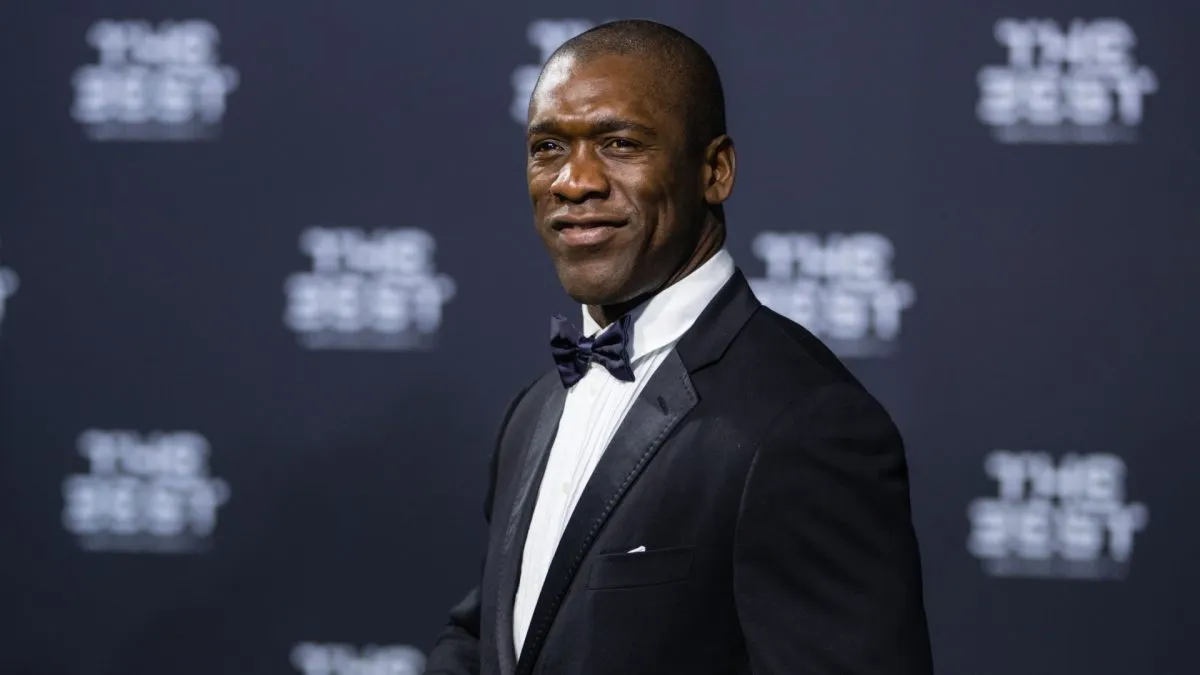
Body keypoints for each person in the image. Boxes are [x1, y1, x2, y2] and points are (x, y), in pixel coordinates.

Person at [423, 18, 933, 675]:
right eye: (549, 146)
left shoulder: (806, 424)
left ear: (714, 171)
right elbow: (492, 636)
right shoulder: (534, 410)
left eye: (619, 142)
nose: (573, 181)